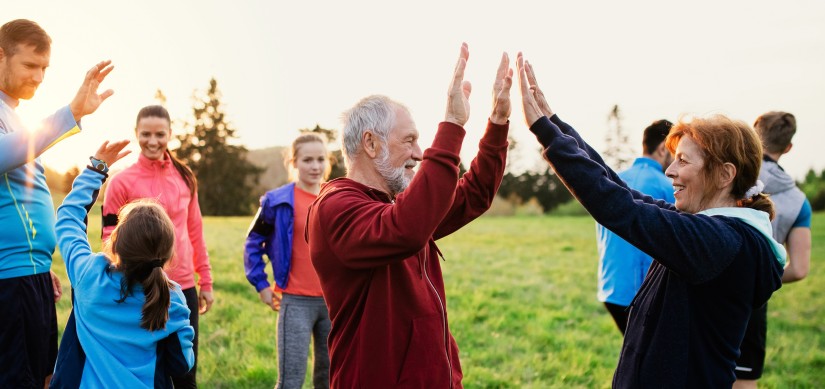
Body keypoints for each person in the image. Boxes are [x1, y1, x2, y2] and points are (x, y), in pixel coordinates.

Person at [516, 54, 785, 387]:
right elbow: (623, 191)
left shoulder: (719, 242)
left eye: (683, 161)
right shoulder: (713, 230)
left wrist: (543, 130)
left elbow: (619, 207)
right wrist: (554, 125)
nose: (670, 171)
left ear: (724, 174)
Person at [307, 43, 512, 387]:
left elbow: (472, 194)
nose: (419, 153)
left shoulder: (398, 205)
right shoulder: (334, 208)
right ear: (370, 144)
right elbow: (406, 229)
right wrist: (451, 125)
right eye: (410, 140)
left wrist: (498, 121)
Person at [0, 18, 115, 388]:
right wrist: (72, 113)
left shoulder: (14, 115)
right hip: (9, 281)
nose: (39, 77)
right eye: (30, 65)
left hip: (29, 276)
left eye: (45, 68)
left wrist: (38, 260)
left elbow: (24, 195)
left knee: (43, 378)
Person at [50, 140, 195, 388]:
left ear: (115, 242)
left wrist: (97, 168)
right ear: (168, 254)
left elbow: (68, 218)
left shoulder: (89, 274)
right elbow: (181, 363)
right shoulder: (172, 300)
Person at [101, 105, 213, 388]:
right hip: (139, 287)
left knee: (185, 371)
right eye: (146, 134)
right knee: (144, 372)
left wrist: (206, 281)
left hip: (183, 287)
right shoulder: (120, 181)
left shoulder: (185, 176)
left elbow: (195, 231)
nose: (153, 141)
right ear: (136, 133)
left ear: (170, 134)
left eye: (160, 134)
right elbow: (109, 237)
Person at [244, 133, 332, 389]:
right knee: (290, 380)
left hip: (333, 302)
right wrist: (261, 284)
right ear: (293, 162)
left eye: (320, 159)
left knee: (329, 378)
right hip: (295, 302)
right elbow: (252, 242)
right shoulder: (276, 201)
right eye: (307, 160)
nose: (315, 166)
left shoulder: (336, 196)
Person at [733, 111, 812, 388]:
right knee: (744, 379)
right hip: (752, 300)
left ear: (753, 136)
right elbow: (800, 269)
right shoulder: (798, 200)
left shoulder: (730, 172)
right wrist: (760, 277)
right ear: (788, 147)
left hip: (705, 285)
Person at [596, 119, 675, 335]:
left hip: (611, 288)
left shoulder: (613, 180)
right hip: (643, 292)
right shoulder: (668, 187)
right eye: (676, 152)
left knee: (636, 354)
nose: (677, 162)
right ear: (662, 149)